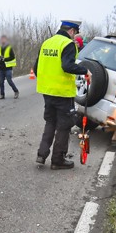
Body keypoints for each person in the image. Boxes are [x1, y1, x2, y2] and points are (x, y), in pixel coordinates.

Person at [33, 19, 89, 170]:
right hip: (62, 93)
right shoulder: (68, 44)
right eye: (75, 33)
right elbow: (67, 66)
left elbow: (36, 67)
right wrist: (85, 71)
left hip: (47, 91)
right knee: (64, 126)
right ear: (72, 31)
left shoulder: (47, 42)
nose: (74, 36)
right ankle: (58, 160)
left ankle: (41, 154)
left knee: (50, 122)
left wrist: (46, 82)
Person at [0, 35, 19, 99]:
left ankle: (16, 91)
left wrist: (4, 59)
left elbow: (12, 57)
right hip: (1, 67)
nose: (3, 40)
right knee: (1, 82)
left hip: (8, 68)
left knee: (9, 81)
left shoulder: (9, 48)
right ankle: (2, 95)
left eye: (4, 39)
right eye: (2, 39)